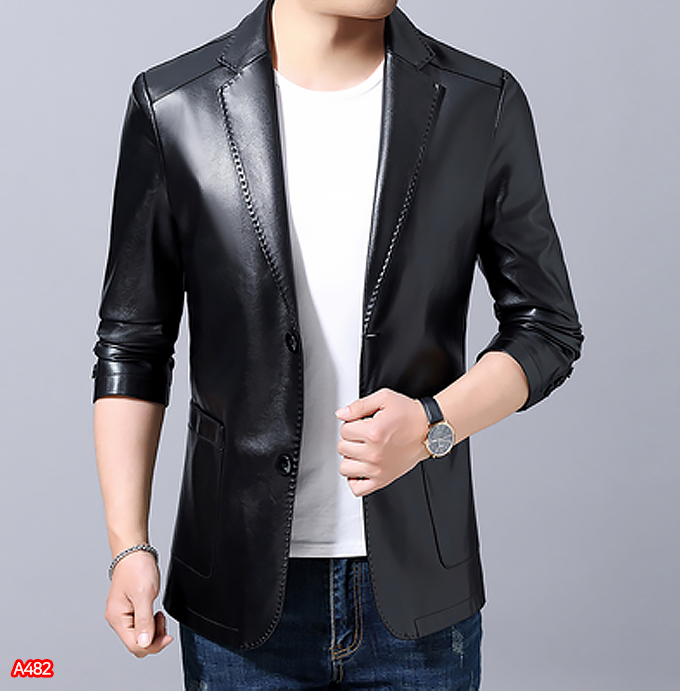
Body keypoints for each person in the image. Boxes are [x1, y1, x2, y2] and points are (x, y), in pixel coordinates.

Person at [92, 0, 583, 687]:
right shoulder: (176, 104)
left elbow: (547, 326)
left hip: (418, 597)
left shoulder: (480, 102)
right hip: (236, 589)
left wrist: (432, 426)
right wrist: (128, 545)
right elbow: (133, 345)